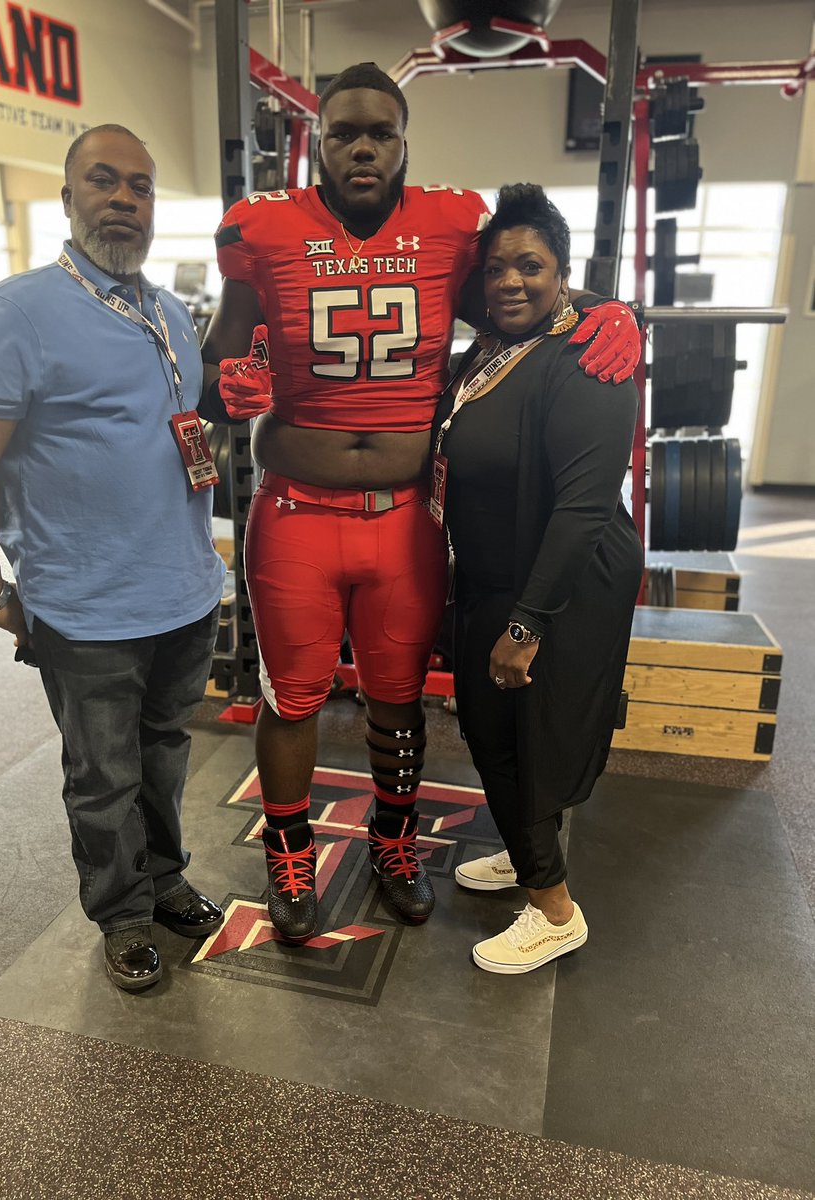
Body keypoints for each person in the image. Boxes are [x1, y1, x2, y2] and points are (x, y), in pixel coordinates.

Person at [202, 63, 641, 943]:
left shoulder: (451, 228)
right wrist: (228, 384)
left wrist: (610, 308)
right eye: (342, 133)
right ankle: (289, 856)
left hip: (402, 517)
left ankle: (395, 842)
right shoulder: (265, 229)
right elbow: (219, 366)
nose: (362, 147)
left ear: (405, 143)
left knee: (398, 698)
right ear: (318, 142)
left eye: (381, 133)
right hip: (294, 513)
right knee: (292, 697)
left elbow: (526, 296)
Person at [0, 124, 227, 992]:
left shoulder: (166, 313)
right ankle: (122, 912)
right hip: (85, 607)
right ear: (67, 198)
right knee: (102, 778)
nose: (124, 199)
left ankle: (164, 880)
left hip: (184, 591)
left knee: (166, 755)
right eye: (104, 181)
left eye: (141, 185)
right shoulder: (12, 313)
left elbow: (173, 437)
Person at [433, 183, 644, 974]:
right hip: (490, 575)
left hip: (558, 587)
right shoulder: (490, 348)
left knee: (530, 739)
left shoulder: (589, 357)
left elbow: (586, 507)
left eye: (532, 266)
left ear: (562, 277)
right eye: (497, 269)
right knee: (491, 734)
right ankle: (530, 861)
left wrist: (527, 626)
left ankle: (554, 910)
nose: (510, 282)